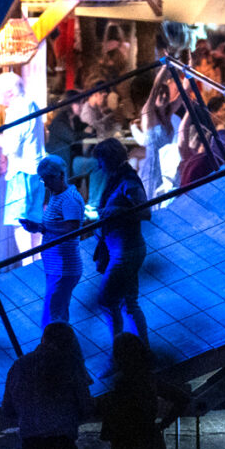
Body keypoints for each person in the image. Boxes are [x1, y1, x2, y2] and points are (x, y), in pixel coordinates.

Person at [93, 138, 150, 350]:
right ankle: (143, 351)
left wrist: (117, 211)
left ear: (111, 158)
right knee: (129, 302)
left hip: (126, 251)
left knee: (106, 300)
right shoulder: (118, 178)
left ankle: (118, 355)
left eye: (101, 160)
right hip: (124, 248)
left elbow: (145, 211)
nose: (99, 166)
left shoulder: (128, 181)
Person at [21, 154, 89, 329]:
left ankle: (54, 350)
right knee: (57, 312)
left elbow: (72, 229)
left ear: (59, 176)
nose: (45, 184)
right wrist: (40, 228)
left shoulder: (69, 199)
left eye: (47, 179)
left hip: (64, 267)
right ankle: (59, 348)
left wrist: (42, 228)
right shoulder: (57, 195)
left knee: (53, 315)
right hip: (56, 266)